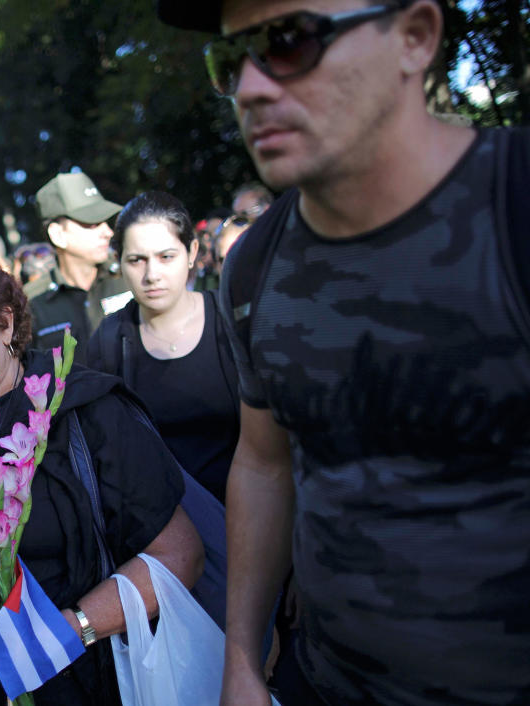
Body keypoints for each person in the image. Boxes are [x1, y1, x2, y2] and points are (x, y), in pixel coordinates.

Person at [159, 0, 530, 705]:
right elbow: (264, 465)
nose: (252, 86)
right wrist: (241, 655)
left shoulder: (512, 205)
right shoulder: (255, 267)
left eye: (290, 42)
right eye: (230, 60)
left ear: (415, 38)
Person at [0, 246, 203, 706]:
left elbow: (180, 556)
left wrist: (65, 633)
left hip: (102, 677)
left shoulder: (87, 412)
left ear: (6, 322)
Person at [86, 192, 239, 504]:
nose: (151, 275)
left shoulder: (231, 321)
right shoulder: (109, 341)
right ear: (119, 261)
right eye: (136, 260)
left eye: (166, 257)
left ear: (192, 251)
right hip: (160, 534)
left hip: (244, 519)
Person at [25, 173, 133, 364]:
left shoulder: (129, 277)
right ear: (58, 234)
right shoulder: (32, 302)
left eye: (105, 222)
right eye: (91, 223)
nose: (107, 232)